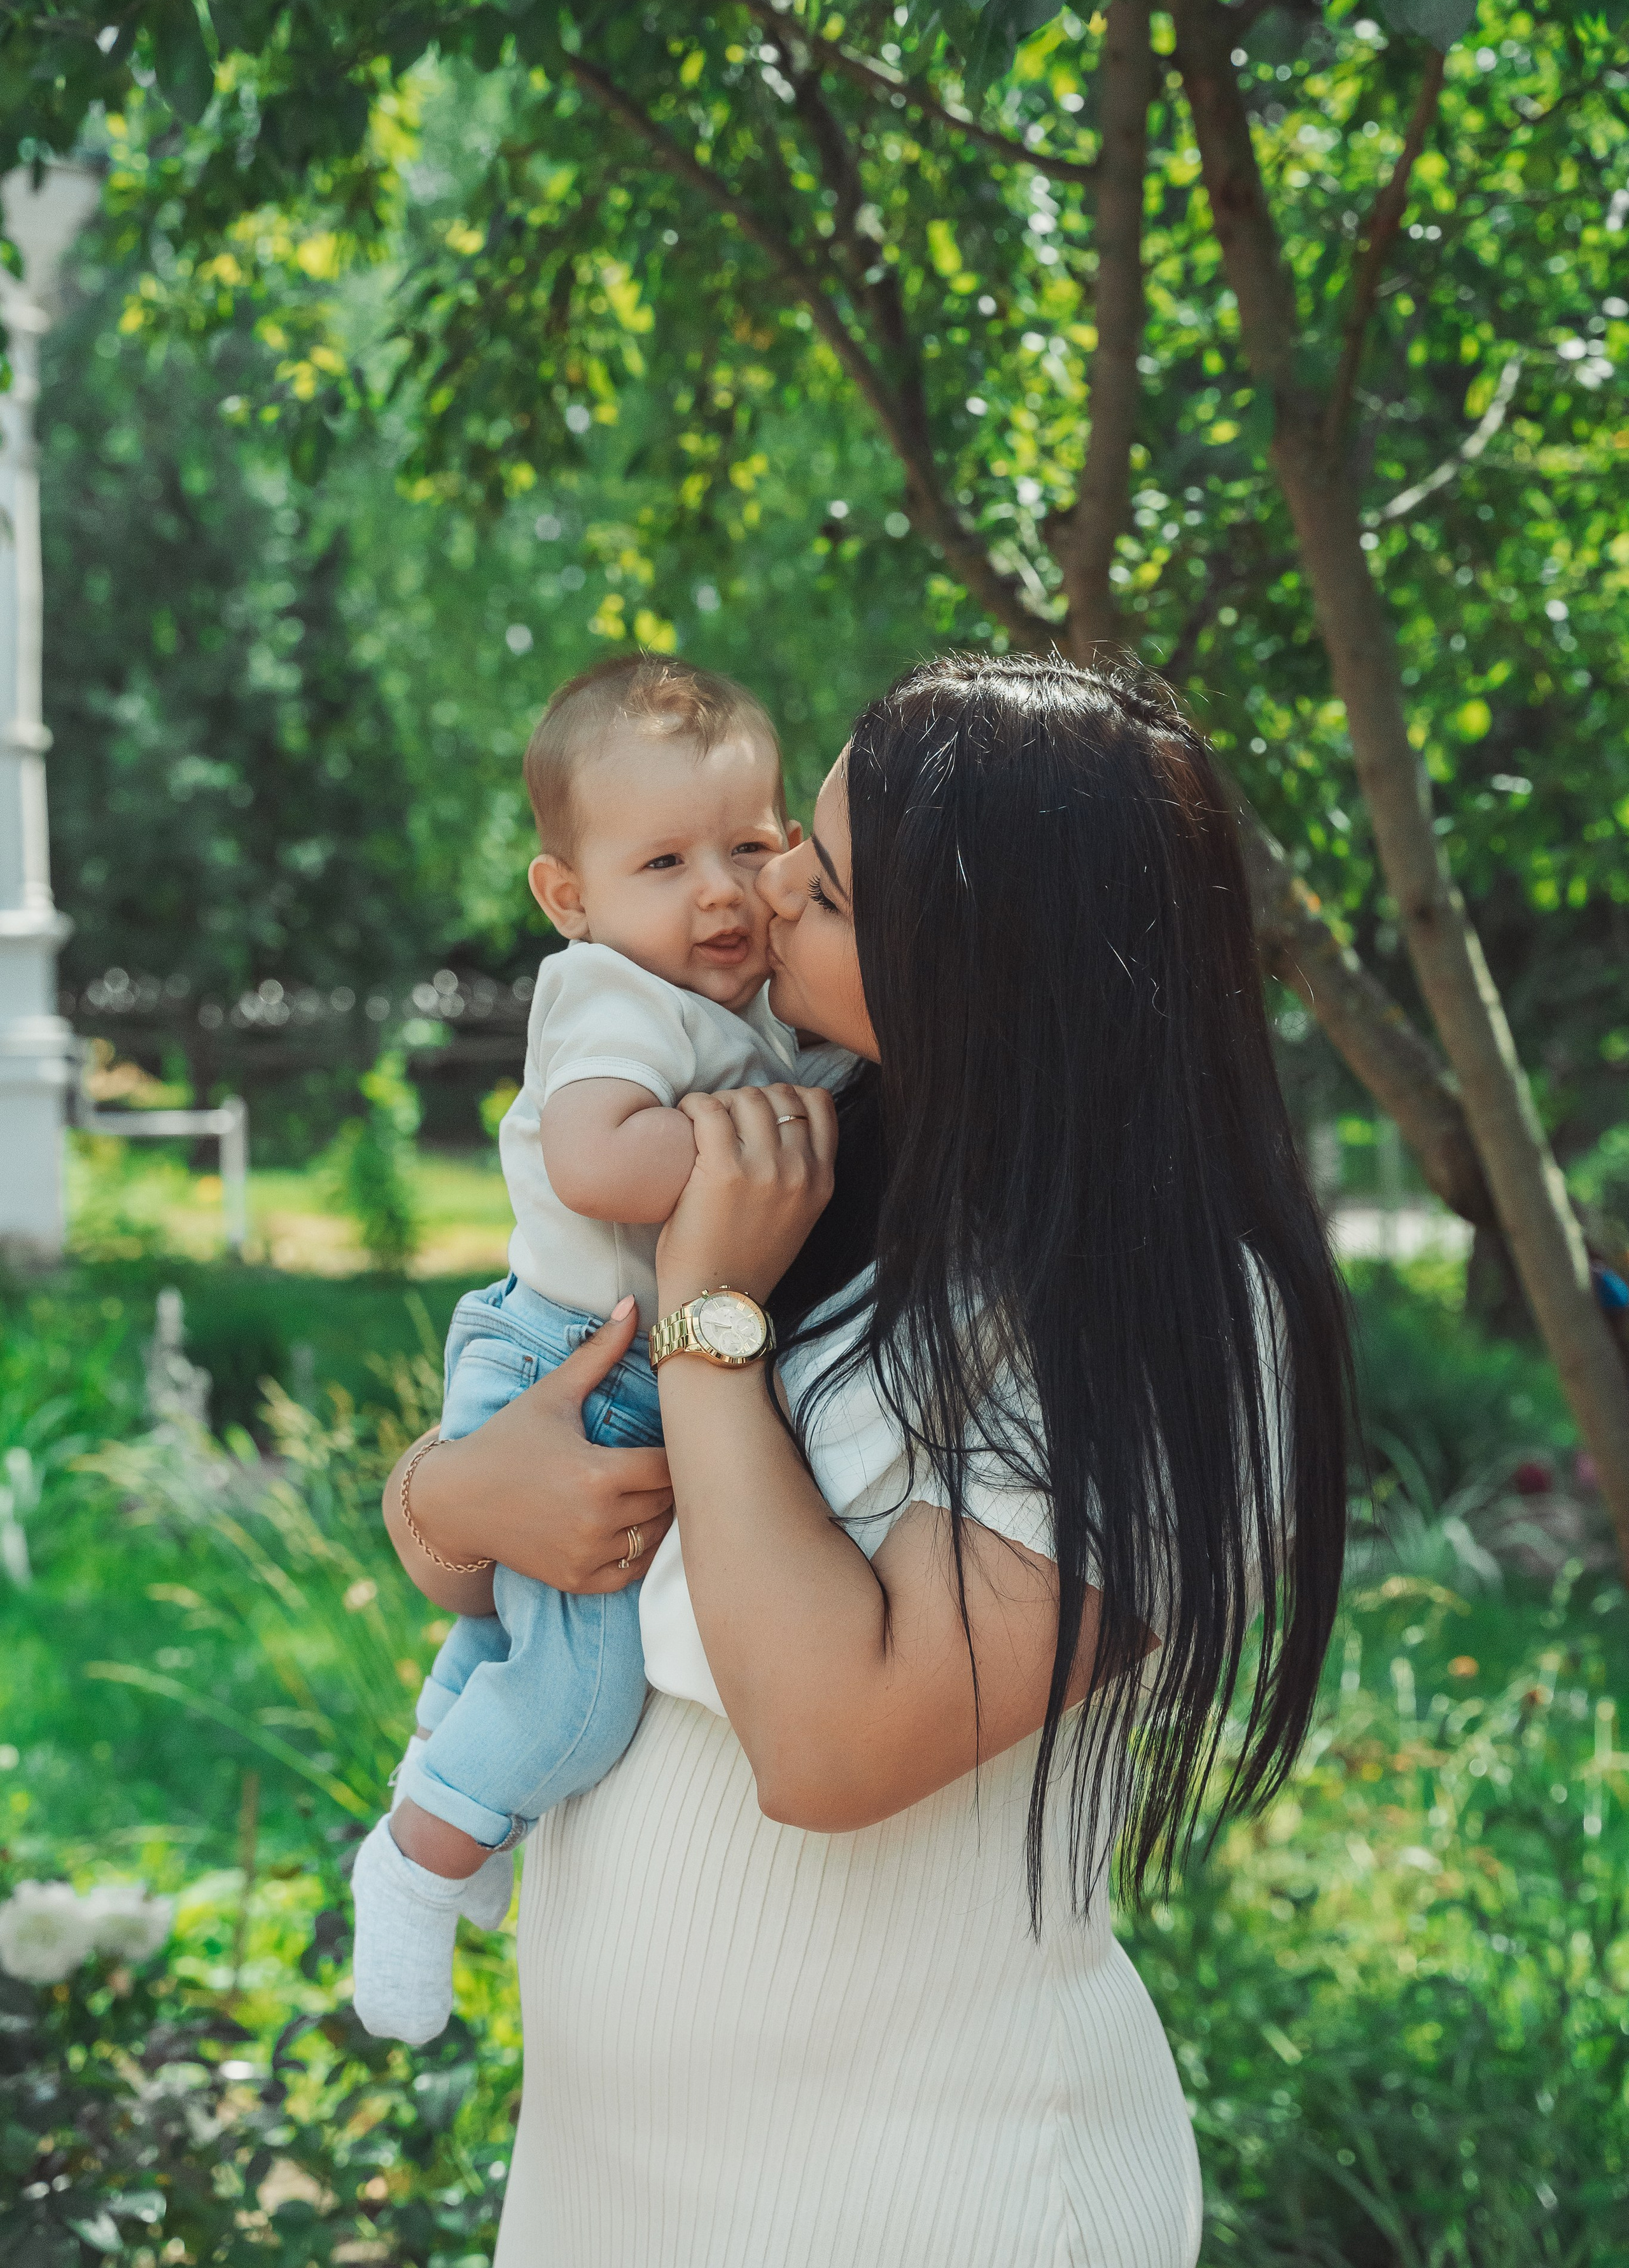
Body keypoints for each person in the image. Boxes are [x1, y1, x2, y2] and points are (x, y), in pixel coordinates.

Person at [383, 653, 1354, 2268]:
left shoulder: (1159, 1307)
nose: (759, 896)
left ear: (979, 962)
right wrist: (443, 1504)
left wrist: (706, 1315)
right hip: (604, 2189)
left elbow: (830, 1744)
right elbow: (525, 1509)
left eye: (815, 883)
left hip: (924, 2190)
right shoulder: (817, 1142)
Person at [352, 654, 849, 2043]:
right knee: (580, 1691)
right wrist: (753, 1149)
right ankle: (415, 1862)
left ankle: (442, 1778)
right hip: (567, 1362)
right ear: (568, 898)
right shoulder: (603, 997)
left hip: (612, 1354)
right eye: (662, 862)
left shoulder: (741, 1004)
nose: (718, 892)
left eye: (749, 848)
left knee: (515, 1629)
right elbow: (594, 1163)